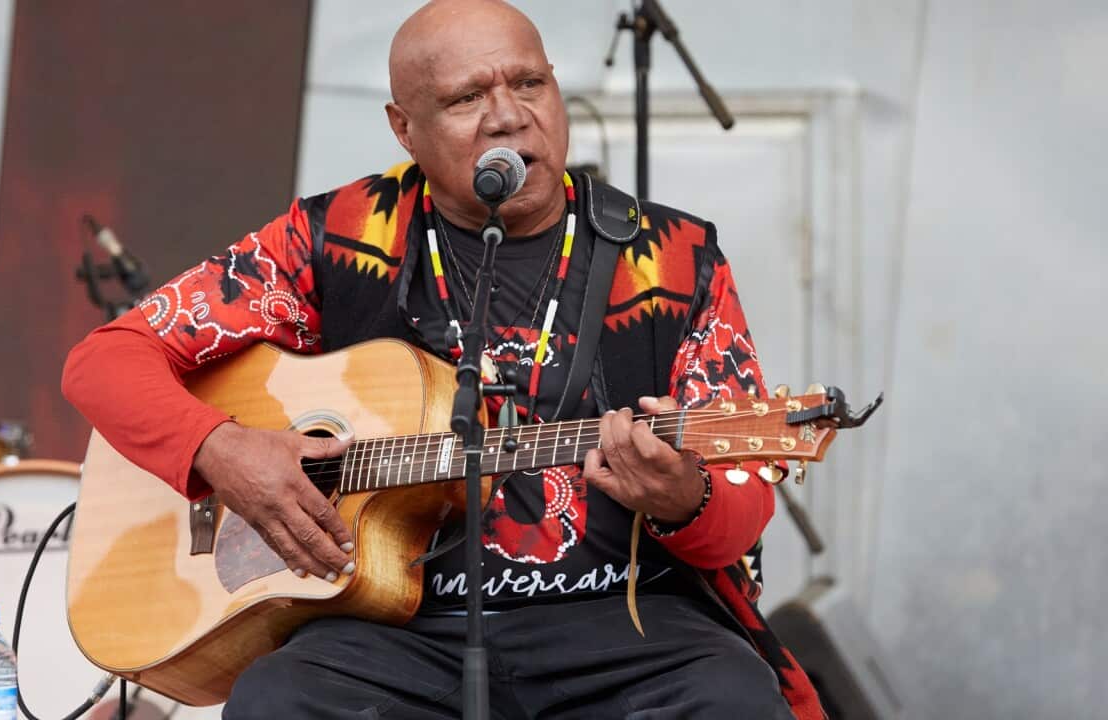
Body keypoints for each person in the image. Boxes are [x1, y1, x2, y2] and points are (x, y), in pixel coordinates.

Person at [63, 1, 825, 718]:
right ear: (404, 127)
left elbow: (739, 514)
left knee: (732, 695)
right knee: (279, 701)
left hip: (621, 619)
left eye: (530, 83)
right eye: (467, 98)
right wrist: (221, 452)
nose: (508, 115)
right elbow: (106, 361)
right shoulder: (335, 237)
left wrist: (683, 497)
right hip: (393, 629)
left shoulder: (675, 258)